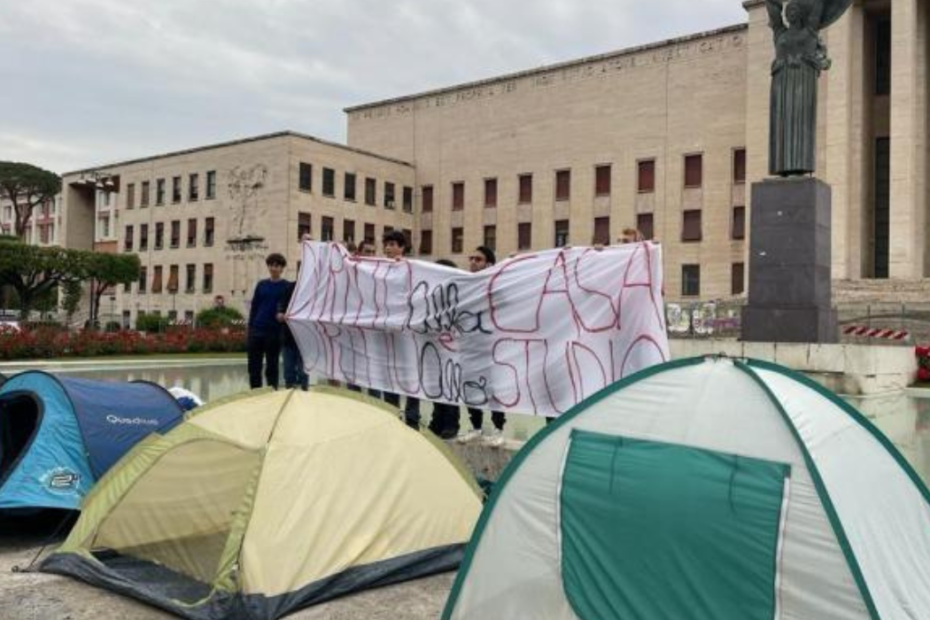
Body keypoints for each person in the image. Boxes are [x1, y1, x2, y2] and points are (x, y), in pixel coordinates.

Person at [458, 246, 506, 447]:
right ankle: (476, 427)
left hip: (489, 348)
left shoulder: (495, 287)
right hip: (468, 346)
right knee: (469, 388)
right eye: (471, 258)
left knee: (491, 389)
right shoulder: (464, 285)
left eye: (478, 259)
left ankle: (498, 429)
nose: (472, 262)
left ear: (488, 264)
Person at [380, 230, 421, 430]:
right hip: (387, 333)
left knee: (411, 374)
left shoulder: (413, 269)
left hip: (408, 332)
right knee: (390, 374)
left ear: (402, 247)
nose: (388, 247)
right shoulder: (377, 269)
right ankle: (392, 415)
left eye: (393, 243)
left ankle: (412, 419)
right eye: (386, 244)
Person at [427, 258, 463, 439]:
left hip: (453, 346)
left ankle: (451, 422)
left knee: (450, 383)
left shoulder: (458, 295)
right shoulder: (432, 296)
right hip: (435, 344)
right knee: (436, 383)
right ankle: (437, 419)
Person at [247, 253, 290, 389]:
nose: (273, 268)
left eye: (277, 266)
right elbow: (254, 306)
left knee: (272, 367)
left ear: (282, 268)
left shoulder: (287, 286)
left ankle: (272, 393)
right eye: (271, 265)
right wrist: (251, 329)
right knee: (254, 367)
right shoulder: (261, 285)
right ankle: (255, 394)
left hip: (274, 332)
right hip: (257, 330)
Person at [278, 276, 309, 391]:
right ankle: (289, 396)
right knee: (289, 372)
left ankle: (304, 397)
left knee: (303, 373)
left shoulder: (312, 290)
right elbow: (280, 310)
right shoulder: (289, 288)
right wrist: (281, 315)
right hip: (288, 337)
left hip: (304, 339)